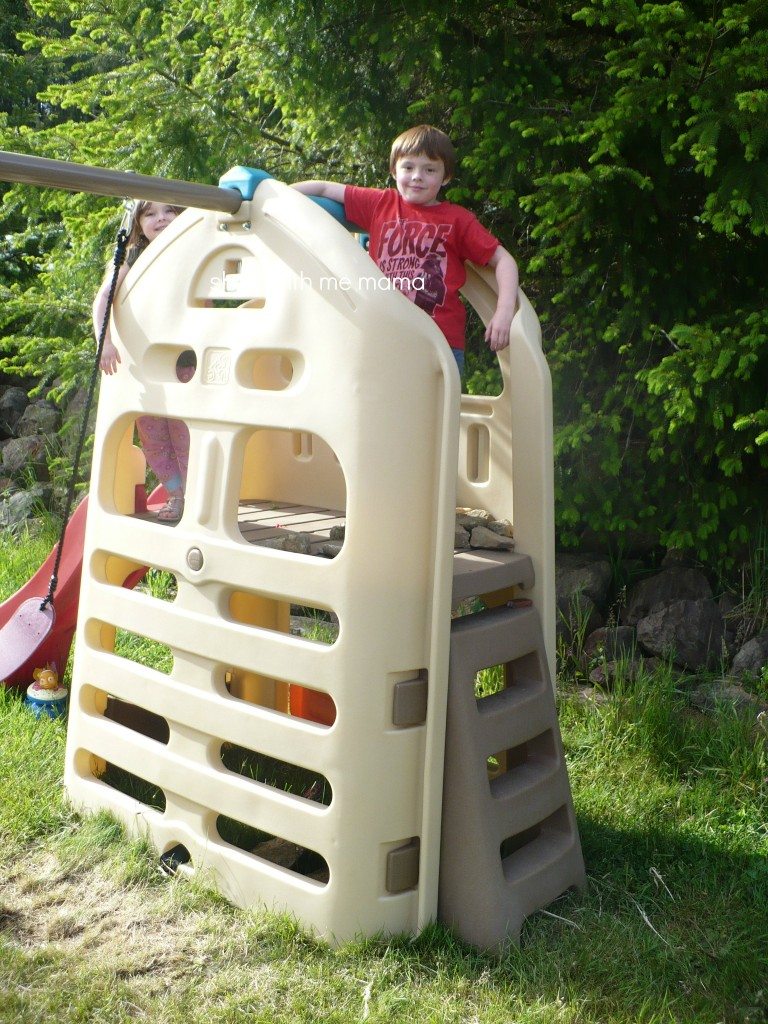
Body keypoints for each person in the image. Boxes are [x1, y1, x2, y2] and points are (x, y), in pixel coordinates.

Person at [292, 125, 519, 376]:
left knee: (435, 413)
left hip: (439, 342)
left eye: (429, 169)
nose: (417, 176)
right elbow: (324, 189)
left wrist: (504, 311)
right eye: (408, 167)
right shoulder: (381, 204)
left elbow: (504, 261)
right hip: (387, 336)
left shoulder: (457, 219)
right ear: (394, 170)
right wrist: (272, 193)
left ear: (446, 177)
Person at [93, 200, 192, 522]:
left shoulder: (193, 248)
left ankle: (195, 494)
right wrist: (104, 342)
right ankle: (176, 495)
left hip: (184, 358)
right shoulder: (132, 258)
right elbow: (104, 298)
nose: (160, 218)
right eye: (150, 214)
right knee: (154, 435)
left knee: (184, 431)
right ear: (138, 223)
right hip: (145, 360)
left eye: (168, 211)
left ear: (181, 215)